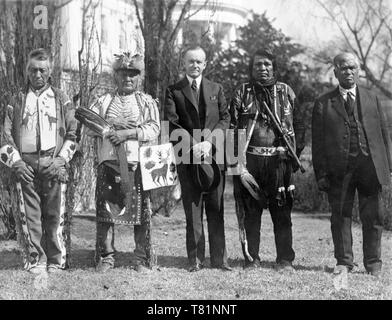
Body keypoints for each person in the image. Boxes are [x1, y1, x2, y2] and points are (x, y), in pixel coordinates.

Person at [0, 48, 78, 274]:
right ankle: (36, 260)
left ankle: (56, 260)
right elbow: (5, 136)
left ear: (50, 71)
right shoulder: (17, 100)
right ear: (27, 72)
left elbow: (74, 132)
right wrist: (17, 163)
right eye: (33, 70)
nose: (38, 74)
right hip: (26, 165)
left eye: (42, 70)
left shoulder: (62, 99)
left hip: (53, 162)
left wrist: (62, 160)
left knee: (55, 214)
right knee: (30, 214)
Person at [312, 52, 392, 277]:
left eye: (353, 68)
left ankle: (374, 263)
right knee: (340, 216)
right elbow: (317, 144)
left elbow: (383, 135)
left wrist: (388, 167)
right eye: (344, 68)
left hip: (370, 167)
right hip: (339, 169)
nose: (349, 72)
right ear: (335, 71)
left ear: (359, 70)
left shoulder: (372, 98)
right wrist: (321, 174)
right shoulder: (324, 103)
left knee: (374, 216)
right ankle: (344, 261)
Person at [229, 48, 305, 271]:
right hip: (250, 162)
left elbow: (299, 125)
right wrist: (236, 162)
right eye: (257, 65)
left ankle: (284, 259)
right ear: (251, 69)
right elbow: (232, 128)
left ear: (273, 67)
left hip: (280, 162)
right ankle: (252, 258)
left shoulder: (286, 92)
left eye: (266, 64)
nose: (262, 68)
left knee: (282, 211)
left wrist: (294, 154)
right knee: (251, 212)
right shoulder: (242, 92)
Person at [85, 52, 160, 273]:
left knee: (141, 213)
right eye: (123, 74)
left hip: (136, 165)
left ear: (139, 77)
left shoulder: (146, 102)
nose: (128, 79)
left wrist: (128, 133)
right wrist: (111, 124)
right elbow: (89, 127)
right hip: (108, 164)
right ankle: (106, 256)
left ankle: (141, 257)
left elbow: (154, 129)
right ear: (115, 76)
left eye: (133, 75)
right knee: (105, 213)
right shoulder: (103, 100)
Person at [164, 46, 232, 272]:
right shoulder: (174, 91)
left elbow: (225, 120)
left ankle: (219, 260)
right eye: (191, 61)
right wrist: (194, 146)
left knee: (216, 208)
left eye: (199, 62)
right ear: (183, 63)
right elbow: (172, 123)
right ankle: (194, 260)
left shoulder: (216, 88)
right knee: (193, 210)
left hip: (214, 157)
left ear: (205, 64)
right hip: (188, 157)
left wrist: (209, 143)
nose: (195, 65)